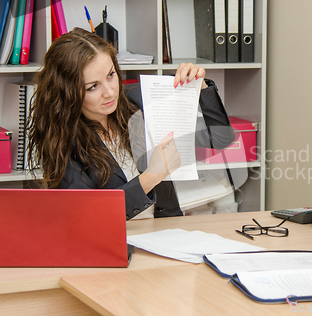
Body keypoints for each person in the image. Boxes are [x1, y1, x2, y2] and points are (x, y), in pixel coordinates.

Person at [26, 27, 235, 220]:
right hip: (114, 242)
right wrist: (152, 176)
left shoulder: (137, 101)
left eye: (111, 75)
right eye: (92, 87)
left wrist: (201, 88)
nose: (109, 92)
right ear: (67, 92)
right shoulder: (61, 140)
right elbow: (87, 213)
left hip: (167, 231)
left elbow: (220, 138)